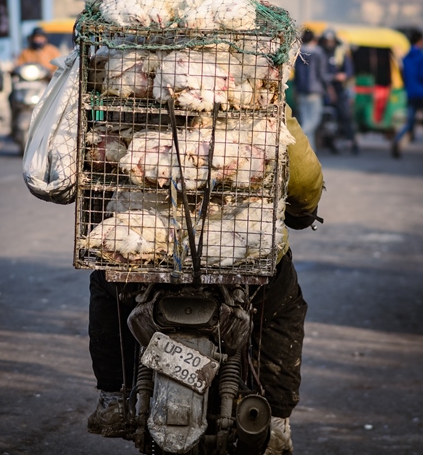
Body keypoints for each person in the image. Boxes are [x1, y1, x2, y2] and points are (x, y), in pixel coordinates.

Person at [86, 106, 324, 455]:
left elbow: (92, 175)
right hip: (242, 256)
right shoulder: (265, 102)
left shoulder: (133, 109)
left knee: (107, 284)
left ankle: (113, 398)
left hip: (150, 253)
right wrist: (303, 212)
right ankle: (273, 422)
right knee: (281, 307)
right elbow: (302, 181)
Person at [319, 28, 358, 154]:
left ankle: (352, 143)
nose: (328, 43)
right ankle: (327, 143)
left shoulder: (340, 53)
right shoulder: (320, 53)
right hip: (324, 90)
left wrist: (343, 76)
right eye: (326, 41)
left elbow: (349, 71)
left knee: (345, 116)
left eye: (331, 40)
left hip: (339, 90)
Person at [293, 28, 328, 151]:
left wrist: (296, 90)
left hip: (302, 90)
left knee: (306, 118)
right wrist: (328, 87)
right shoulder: (319, 53)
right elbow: (322, 74)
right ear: (314, 39)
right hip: (315, 91)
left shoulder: (299, 52)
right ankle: (299, 137)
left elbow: (296, 74)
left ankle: (309, 150)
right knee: (313, 121)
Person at [391, 28, 423, 158]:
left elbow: (403, 76)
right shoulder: (420, 56)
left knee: (409, 122)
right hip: (421, 92)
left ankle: (397, 139)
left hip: (410, 93)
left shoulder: (405, 57)